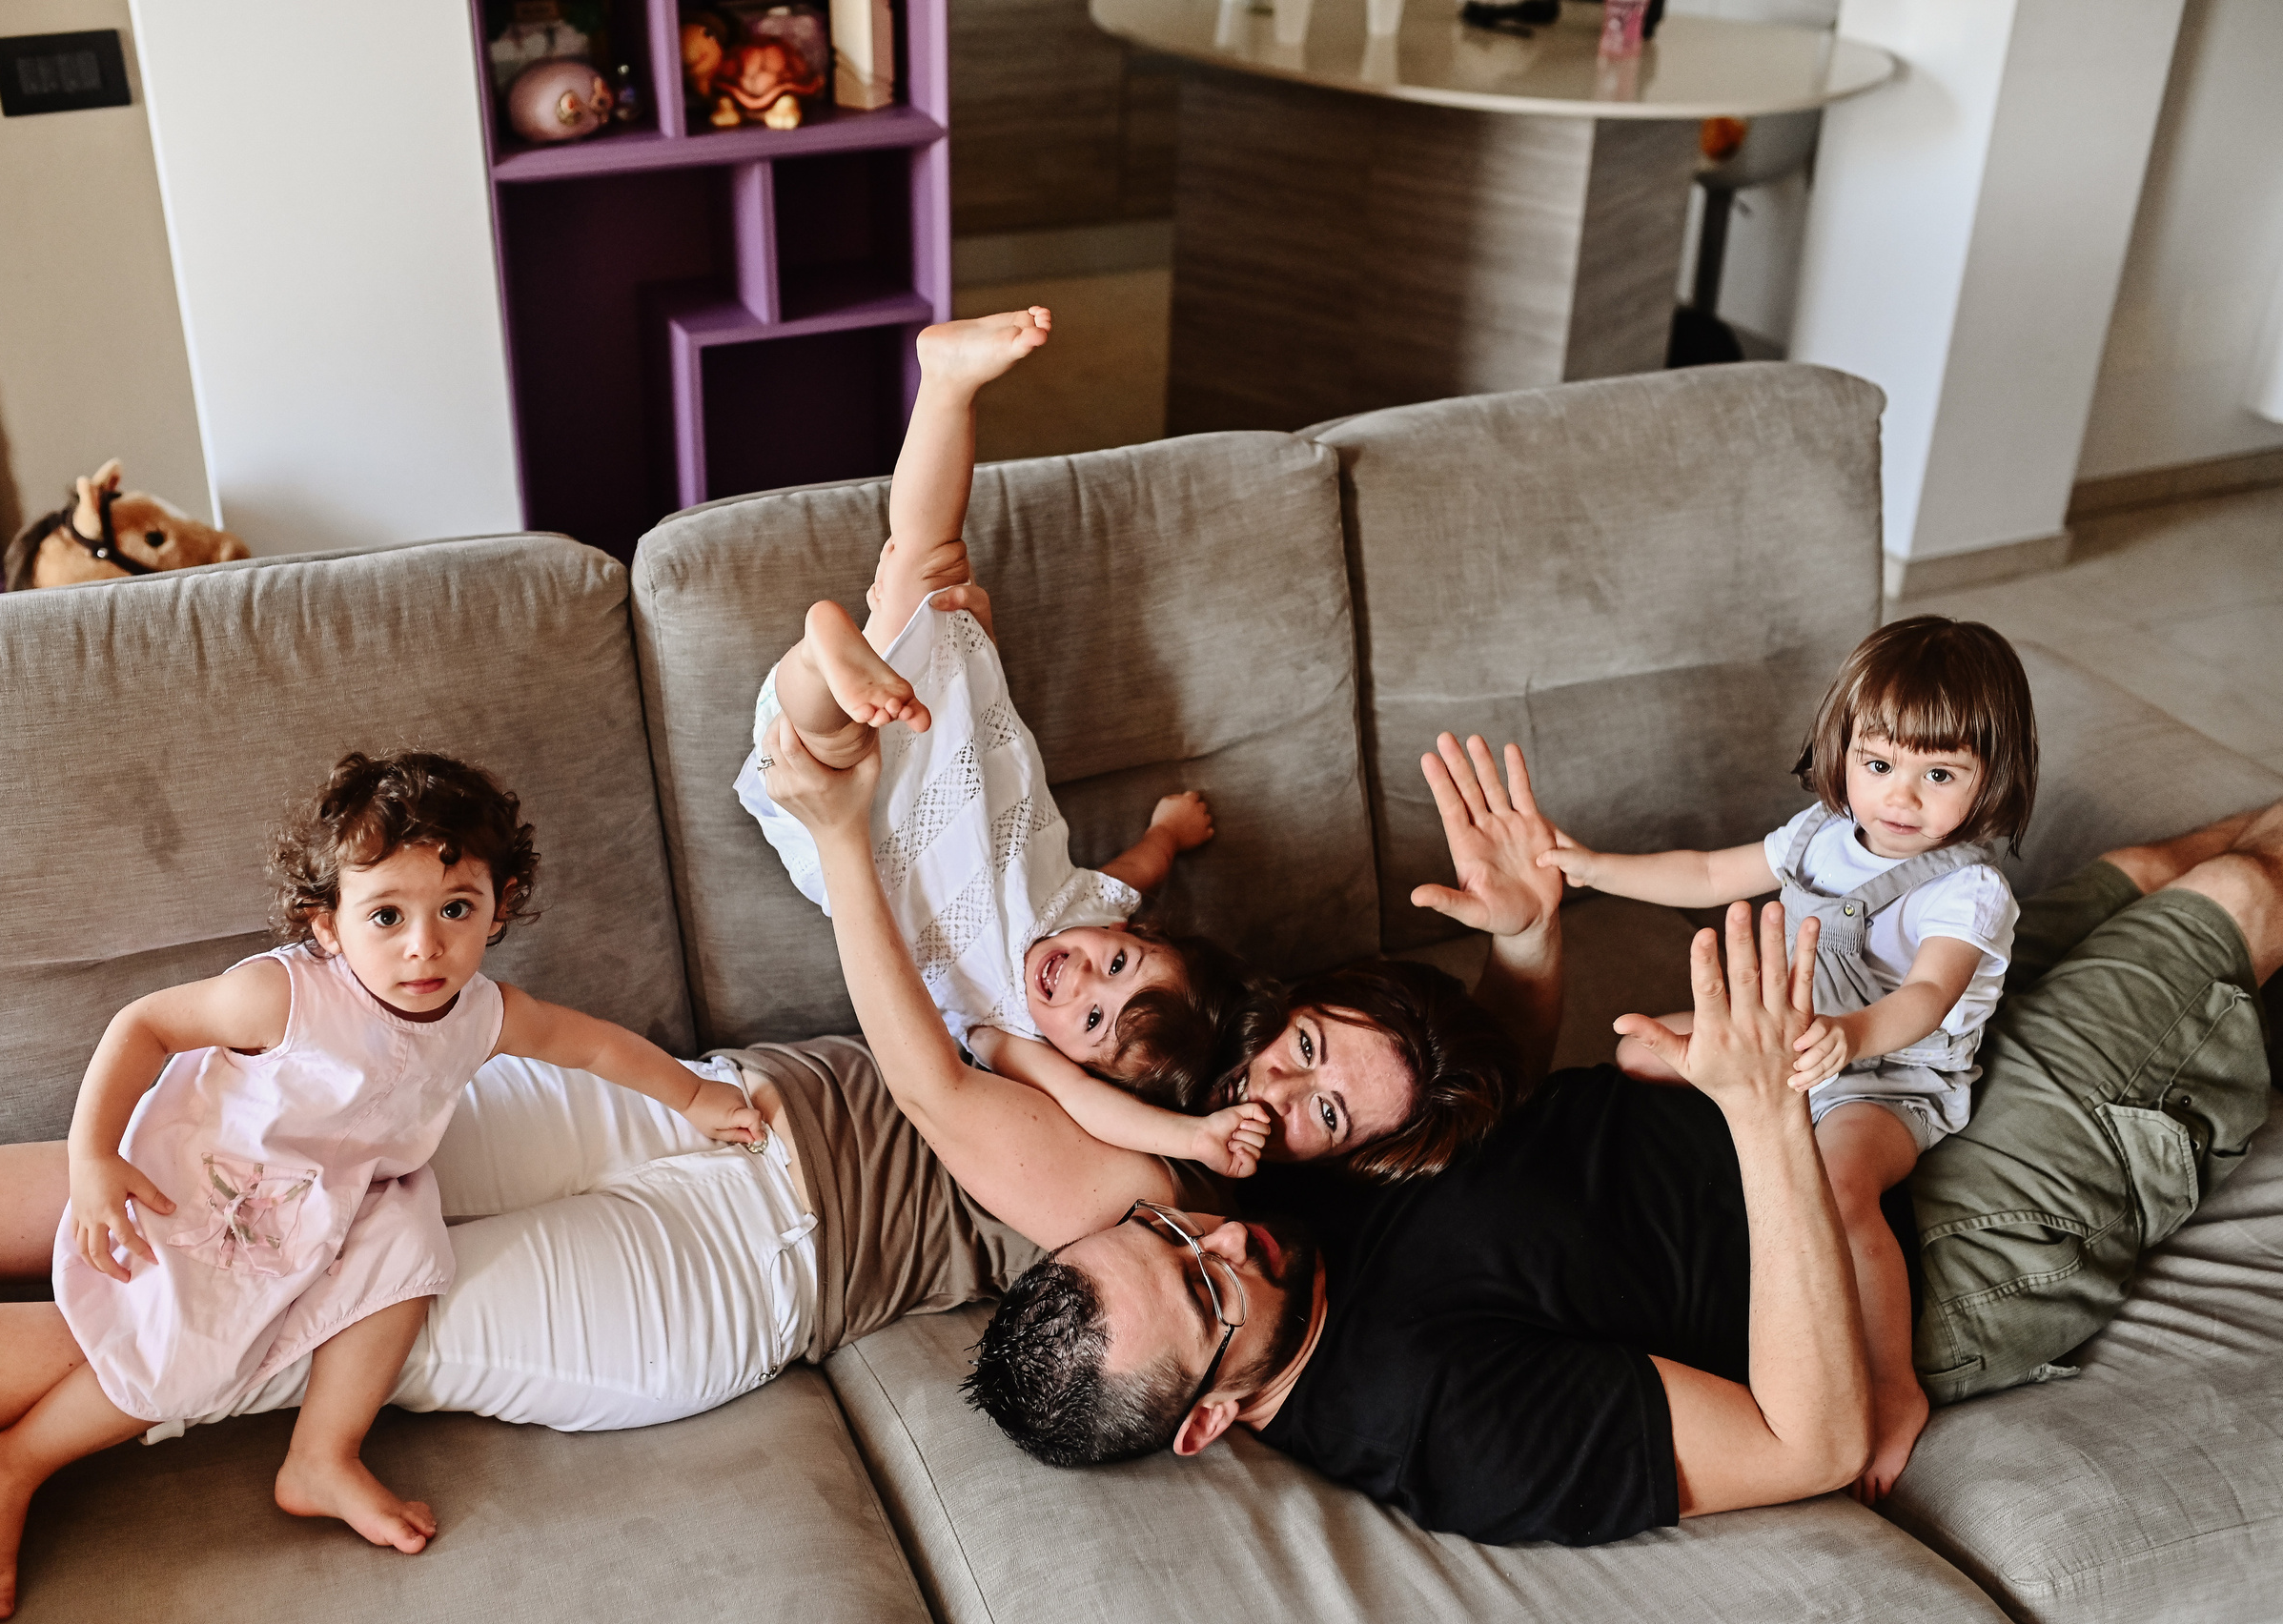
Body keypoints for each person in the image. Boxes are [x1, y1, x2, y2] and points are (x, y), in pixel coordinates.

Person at [955, 761, 2279, 1548]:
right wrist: (1761, 1115)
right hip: (1918, 1238)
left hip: (1815, 1058)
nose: (1223, 1235)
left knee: (2127, 871)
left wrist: (1531, 934)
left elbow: (1488, 1143)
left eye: (1168, 1229)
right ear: (1209, 1420)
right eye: (1206, 1289)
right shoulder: (1447, 1425)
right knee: (2236, 903)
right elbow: (1811, 1442)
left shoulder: (1275, 1202)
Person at [0, 751, 765, 1618]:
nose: (424, 946)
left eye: (456, 909)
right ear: (328, 926)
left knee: (414, 1260)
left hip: (355, 1186)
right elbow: (144, 1025)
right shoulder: (283, 998)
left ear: (500, 905)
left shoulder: (484, 1013)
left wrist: (693, 1095)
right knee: (187, 1362)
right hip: (226, 1182)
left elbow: (592, 1047)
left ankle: (322, 1456)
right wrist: (91, 1156)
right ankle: (10, 1463)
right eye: (387, 916)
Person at [737, 304, 1275, 1177]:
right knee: (929, 559)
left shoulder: (1008, 1030)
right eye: (1120, 961)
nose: (1085, 976)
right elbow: (1138, 872)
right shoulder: (1094, 908)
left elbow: (1088, 1107)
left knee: (817, 738)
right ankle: (947, 385)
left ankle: (820, 651)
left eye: (1093, 1020)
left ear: (1069, 1056)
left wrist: (1191, 1140)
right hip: (941, 742)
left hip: (863, 822)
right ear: (1136, 934)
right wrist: (1170, 834)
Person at [1539, 615, 2037, 1500]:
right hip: (1793, 1039)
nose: (1901, 797)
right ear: (1842, 749)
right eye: (1878, 764)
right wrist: (1591, 867)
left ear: (1992, 777)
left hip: (1892, 1078)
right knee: (1636, 1055)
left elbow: (1928, 996)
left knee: (1840, 1189)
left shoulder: (1967, 890)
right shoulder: (1818, 835)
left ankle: (1894, 1385)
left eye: (1939, 775)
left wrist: (1850, 1039)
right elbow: (1705, 874)